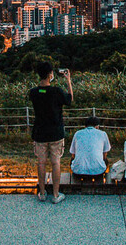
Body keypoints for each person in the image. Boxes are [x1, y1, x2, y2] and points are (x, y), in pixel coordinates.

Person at [28, 62, 73, 204]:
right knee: (55, 162)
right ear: (50, 74)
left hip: (40, 132)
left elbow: (42, 93)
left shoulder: (33, 92)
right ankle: (55, 194)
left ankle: (42, 193)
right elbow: (69, 100)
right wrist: (68, 80)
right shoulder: (56, 91)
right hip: (55, 133)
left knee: (41, 163)